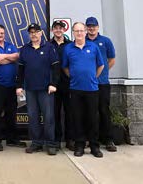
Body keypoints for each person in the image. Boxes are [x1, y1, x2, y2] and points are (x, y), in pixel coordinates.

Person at [62, 22, 104, 158]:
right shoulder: (68, 49)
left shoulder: (93, 47)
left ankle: (94, 146)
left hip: (92, 89)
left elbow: (101, 65)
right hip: (75, 89)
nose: (79, 33)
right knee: (77, 118)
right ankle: (79, 145)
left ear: (85, 32)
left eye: (81, 30)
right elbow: (65, 67)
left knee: (92, 118)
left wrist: (93, 77)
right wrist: (73, 76)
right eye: (76, 31)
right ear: (73, 33)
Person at [16, 23, 60, 155]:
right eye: (31, 32)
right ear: (29, 34)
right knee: (33, 116)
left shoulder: (49, 47)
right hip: (30, 89)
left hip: (46, 89)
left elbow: (56, 68)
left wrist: (53, 84)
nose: (34, 34)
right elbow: (20, 69)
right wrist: (19, 86)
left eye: (36, 32)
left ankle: (50, 143)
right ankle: (36, 143)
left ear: (41, 33)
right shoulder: (25, 49)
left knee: (48, 117)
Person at [0, 24, 26, 151]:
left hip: (12, 85)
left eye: (2, 33)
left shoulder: (10, 45)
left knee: (11, 113)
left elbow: (17, 56)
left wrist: (4, 56)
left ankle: (12, 139)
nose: (0, 35)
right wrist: (9, 57)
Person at [85, 16, 117, 152]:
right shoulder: (82, 41)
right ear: (86, 28)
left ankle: (108, 139)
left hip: (102, 83)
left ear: (98, 27)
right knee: (88, 112)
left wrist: (100, 73)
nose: (91, 28)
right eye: (89, 26)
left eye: (94, 26)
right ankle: (90, 138)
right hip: (86, 85)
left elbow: (111, 60)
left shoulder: (105, 41)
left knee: (104, 111)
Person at [50, 20, 74, 150]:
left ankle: (70, 140)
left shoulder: (70, 45)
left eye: (61, 28)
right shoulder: (48, 45)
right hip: (53, 84)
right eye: (56, 28)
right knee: (55, 113)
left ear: (64, 30)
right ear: (52, 30)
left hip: (68, 83)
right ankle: (57, 140)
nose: (58, 30)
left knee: (69, 113)